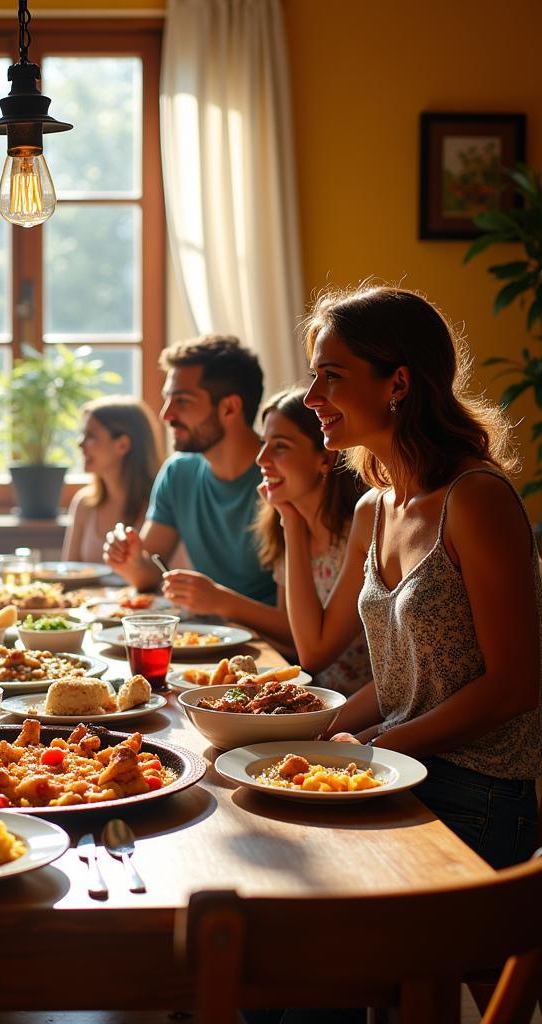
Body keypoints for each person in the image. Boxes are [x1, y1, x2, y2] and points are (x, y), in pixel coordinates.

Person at [284, 284, 540, 869]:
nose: (313, 396)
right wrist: (304, 732)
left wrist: (374, 747)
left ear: (397, 384)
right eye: (313, 376)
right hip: (400, 768)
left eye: (331, 376)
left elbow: (515, 686)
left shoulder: (475, 499)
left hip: (476, 794)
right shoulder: (373, 508)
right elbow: (407, 685)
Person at [161, 387, 371, 694]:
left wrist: (221, 600)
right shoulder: (288, 525)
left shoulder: (356, 535)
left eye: (281, 447)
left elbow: (309, 651)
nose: (262, 459)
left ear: (325, 459)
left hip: (353, 703)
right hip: (316, 693)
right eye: (264, 444)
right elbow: (294, 634)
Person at [103, 335, 276, 604]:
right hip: (212, 636)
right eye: (167, 399)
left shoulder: (281, 475)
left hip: (272, 644)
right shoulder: (178, 473)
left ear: (229, 408)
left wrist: (219, 601)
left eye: (182, 401)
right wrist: (130, 560)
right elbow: (147, 575)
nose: (165, 415)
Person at [62, 396, 163, 563]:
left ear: (122, 445)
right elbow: (69, 574)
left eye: (91, 436)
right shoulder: (84, 504)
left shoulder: (160, 506)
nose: (80, 444)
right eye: (83, 434)